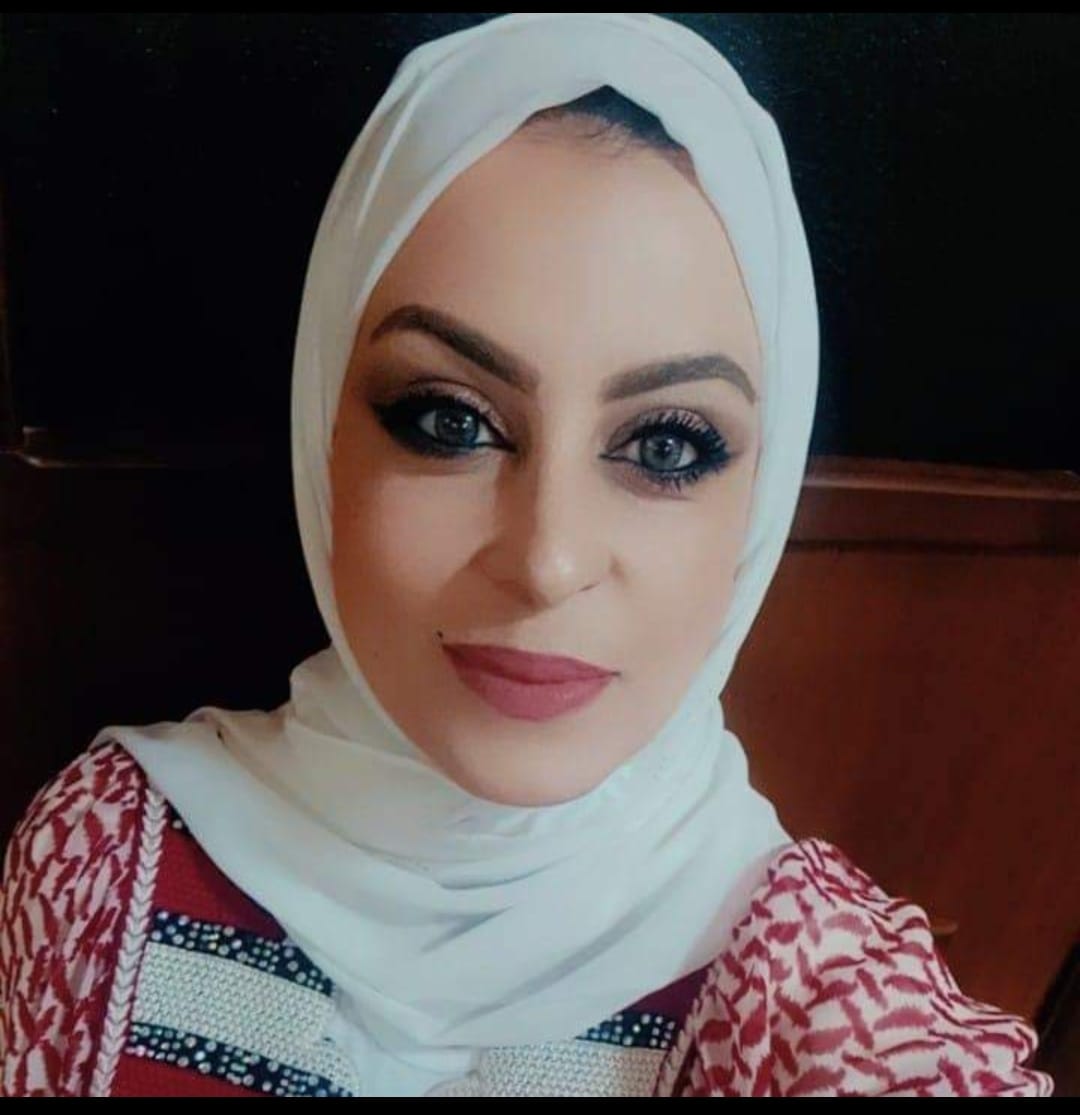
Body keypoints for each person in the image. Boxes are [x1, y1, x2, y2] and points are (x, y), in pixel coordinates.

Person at [0, 12, 1053, 1097]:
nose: (548, 559)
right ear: (323, 431)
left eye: (667, 444)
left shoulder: (817, 996)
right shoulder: (104, 855)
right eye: (449, 419)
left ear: (761, 496)